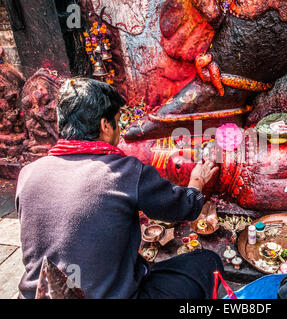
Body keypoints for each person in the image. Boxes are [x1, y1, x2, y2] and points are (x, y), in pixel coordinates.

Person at [16, 77, 223, 299]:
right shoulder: (124, 171)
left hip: (36, 295)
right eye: (117, 121)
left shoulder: (28, 173)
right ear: (105, 125)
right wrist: (197, 182)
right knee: (207, 262)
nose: (119, 131)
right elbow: (182, 208)